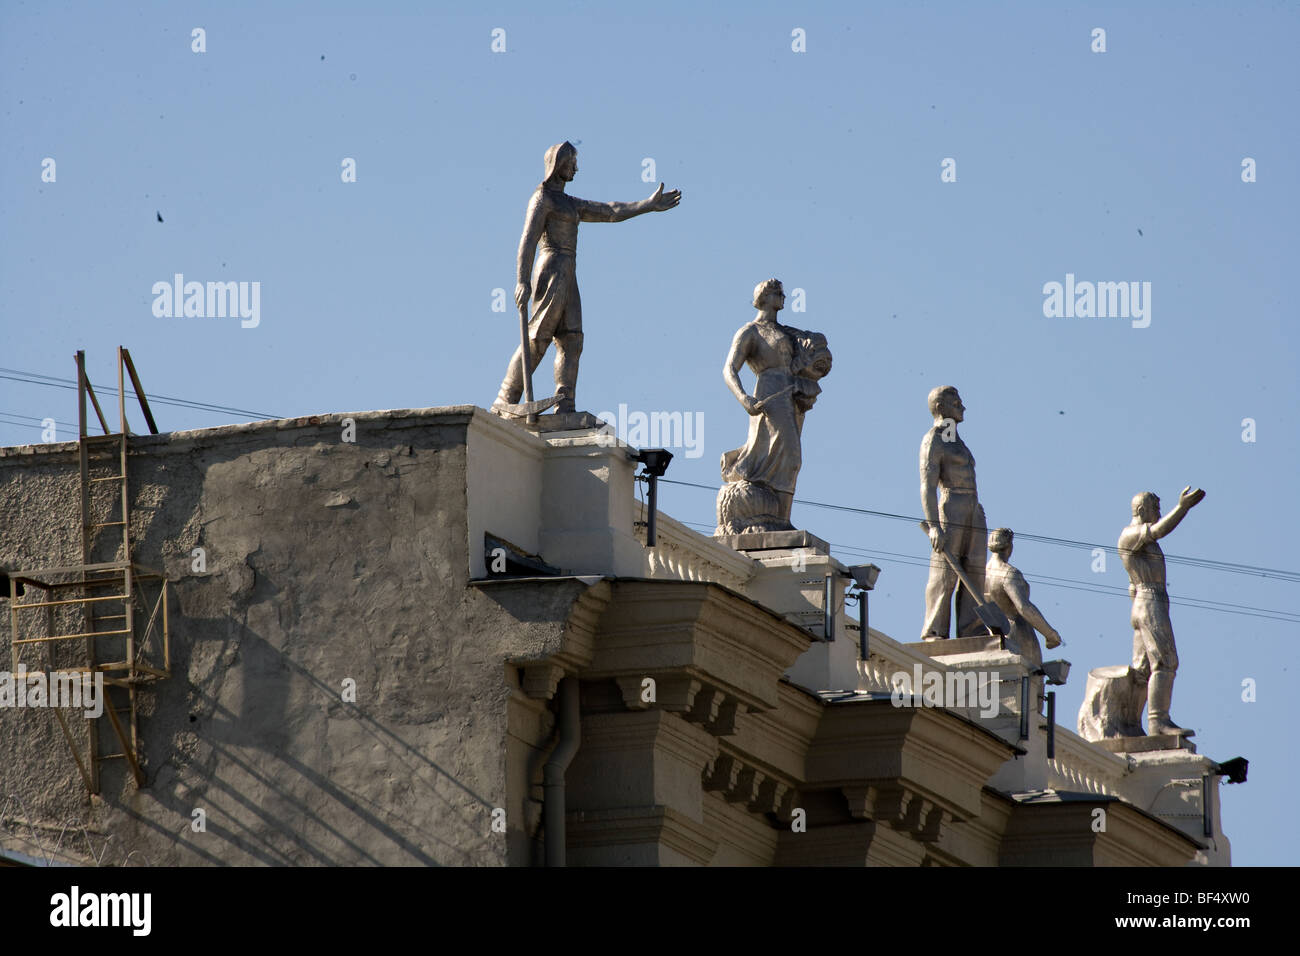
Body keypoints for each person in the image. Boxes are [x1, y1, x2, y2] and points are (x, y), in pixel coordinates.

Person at [493, 141, 681, 416]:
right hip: (551, 266)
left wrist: (647, 205)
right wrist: (522, 280)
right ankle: (505, 398)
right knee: (538, 337)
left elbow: (610, 211)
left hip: (569, 269)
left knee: (572, 339)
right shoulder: (542, 198)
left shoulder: (570, 203)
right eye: (572, 163)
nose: (576, 169)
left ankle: (565, 401)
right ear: (558, 164)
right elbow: (528, 240)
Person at [718, 279, 831, 529]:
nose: (783, 296)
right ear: (764, 296)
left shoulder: (786, 331)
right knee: (791, 455)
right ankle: (780, 518)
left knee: (789, 458)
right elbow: (729, 369)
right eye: (778, 292)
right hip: (769, 393)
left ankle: (782, 520)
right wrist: (744, 397)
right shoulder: (750, 331)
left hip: (792, 393)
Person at [1119, 486, 1205, 736]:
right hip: (1149, 602)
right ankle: (1158, 722)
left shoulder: (1140, 539)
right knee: (1166, 661)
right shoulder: (1130, 534)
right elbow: (1159, 531)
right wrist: (1182, 508)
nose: (1158, 512)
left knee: (1142, 670)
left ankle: (1130, 724)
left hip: (1148, 601)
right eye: (1155, 507)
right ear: (1141, 509)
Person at [919, 386, 987, 640]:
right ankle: (934, 629)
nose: (962, 406)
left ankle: (972, 629)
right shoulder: (934, 438)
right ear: (940, 407)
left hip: (973, 507)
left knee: (975, 569)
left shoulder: (956, 439)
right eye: (956, 402)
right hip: (952, 505)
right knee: (945, 572)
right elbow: (927, 486)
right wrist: (934, 525)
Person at [984, 528, 1062, 667]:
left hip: (992, 639)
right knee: (1029, 680)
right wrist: (1050, 634)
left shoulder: (980, 573)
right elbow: (1023, 607)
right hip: (1018, 636)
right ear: (1009, 546)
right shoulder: (1009, 573)